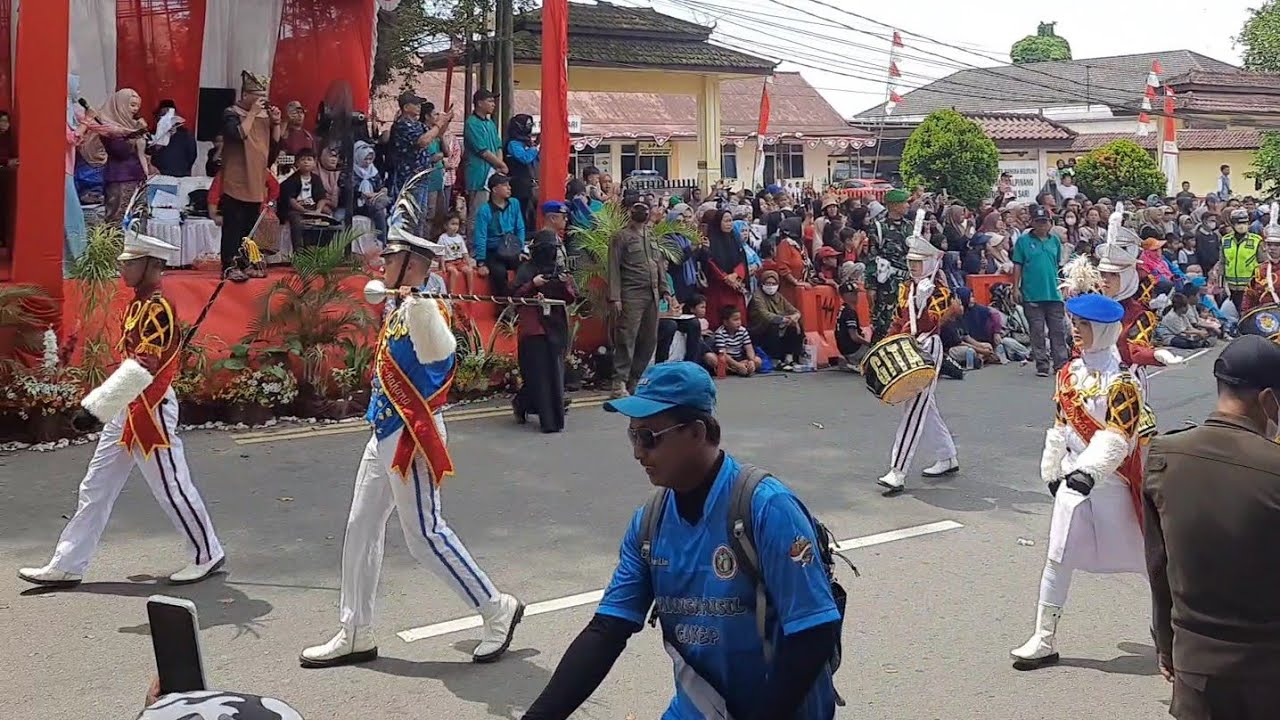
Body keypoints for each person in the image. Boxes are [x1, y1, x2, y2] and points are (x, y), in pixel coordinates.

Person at [522, 362, 843, 719]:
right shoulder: (650, 523)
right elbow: (608, 629)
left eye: (649, 437)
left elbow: (814, 633)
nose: (637, 452)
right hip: (699, 710)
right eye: (632, 435)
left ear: (696, 432)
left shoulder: (766, 508)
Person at [300, 185, 523, 668]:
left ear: (414, 264)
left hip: (411, 439)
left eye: (392, 257)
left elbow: (441, 355)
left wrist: (419, 303)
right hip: (383, 431)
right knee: (361, 527)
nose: (382, 263)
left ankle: (495, 607)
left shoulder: (428, 309)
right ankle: (355, 629)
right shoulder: (403, 306)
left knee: (425, 534)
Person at [18, 210, 225, 588]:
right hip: (128, 406)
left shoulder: (158, 307)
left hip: (150, 408)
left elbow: (144, 365)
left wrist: (96, 408)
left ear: (150, 266)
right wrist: (103, 407)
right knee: (95, 486)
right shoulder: (139, 304)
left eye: (130, 262)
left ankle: (206, 553)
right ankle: (68, 563)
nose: (122, 267)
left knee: (172, 486)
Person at [1143, 335, 1280, 719]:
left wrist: (1167, 646)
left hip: (1195, 665)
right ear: (1268, 400)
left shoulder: (1162, 455)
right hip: (1268, 668)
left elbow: (1158, 565)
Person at [1010, 294, 1147, 670]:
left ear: (1103, 330)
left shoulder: (1123, 382)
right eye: (1074, 322)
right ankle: (1043, 637)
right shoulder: (1068, 373)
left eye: (1083, 325)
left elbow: (1120, 435)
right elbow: (1060, 424)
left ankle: (1169, 631)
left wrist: (1089, 470)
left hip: (1111, 484)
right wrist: (1053, 469)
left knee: (1147, 560)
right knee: (1058, 556)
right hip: (1074, 484)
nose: (1076, 330)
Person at [877, 218, 961, 495]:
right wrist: (887, 344)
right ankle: (947, 455)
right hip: (906, 347)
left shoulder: (939, 289)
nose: (913, 266)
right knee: (924, 406)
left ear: (930, 262)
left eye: (919, 262)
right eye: (911, 261)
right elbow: (898, 319)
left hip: (928, 346)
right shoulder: (906, 287)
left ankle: (898, 470)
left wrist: (922, 304)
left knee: (914, 409)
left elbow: (931, 324)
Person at [219, 71, 283, 282]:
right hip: (237, 177)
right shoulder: (231, 112)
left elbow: (272, 152)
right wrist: (253, 114)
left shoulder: (263, 117)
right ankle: (229, 264)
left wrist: (275, 124)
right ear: (246, 94)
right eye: (257, 95)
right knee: (233, 225)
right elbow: (237, 134)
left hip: (256, 180)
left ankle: (247, 263)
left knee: (249, 227)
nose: (261, 100)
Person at [512, 231, 577, 433]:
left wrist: (564, 283)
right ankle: (534, 412)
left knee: (554, 373)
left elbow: (571, 298)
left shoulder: (559, 270)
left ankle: (553, 418)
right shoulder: (526, 269)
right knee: (538, 375)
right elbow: (514, 295)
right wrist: (534, 284)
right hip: (534, 329)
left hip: (556, 327)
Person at [608, 202, 665, 397]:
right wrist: (615, 296)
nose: (642, 212)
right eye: (637, 208)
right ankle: (619, 381)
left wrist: (665, 288)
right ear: (631, 213)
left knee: (649, 339)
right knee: (626, 336)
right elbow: (613, 267)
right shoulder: (621, 236)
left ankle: (635, 379)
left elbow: (658, 264)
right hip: (631, 293)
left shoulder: (651, 235)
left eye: (645, 209)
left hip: (653, 292)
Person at [1012, 205, 1069, 377]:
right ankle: (1042, 364)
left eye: (1045, 221)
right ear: (1032, 223)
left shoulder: (1055, 241)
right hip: (1032, 293)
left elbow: (1059, 265)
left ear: (1050, 223)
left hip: (1053, 292)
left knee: (1058, 331)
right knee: (1036, 331)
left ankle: (1061, 364)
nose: (1042, 225)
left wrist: (1064, 285)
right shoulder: (1023, 241)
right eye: (1038, 221)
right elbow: (1017, 265)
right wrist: (1015, 287)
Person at [82, 88, 151, 224]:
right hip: (120, 179)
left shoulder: (131, 126)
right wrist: (137, 132)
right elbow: (120, 151)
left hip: (138, 178)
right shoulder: (107, 125)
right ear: (120, 105)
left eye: (137, 106)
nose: (135, 109)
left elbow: (144, 152)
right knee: (117, 220)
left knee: (137, 222)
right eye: (131, 105)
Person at [386, 93, 452, 225]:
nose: (419, 107)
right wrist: (439, 124)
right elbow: (423, 141)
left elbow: (436, 134)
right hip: (409, 178)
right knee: (410, 217)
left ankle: (417, 244)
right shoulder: (402, 125)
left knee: (421, 216)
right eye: (415, 104)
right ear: (406, 107)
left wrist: (445, 120)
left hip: (421, 176)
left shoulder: (416, 124)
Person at [864, 188, 913, 342]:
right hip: (887, 283)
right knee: (884, 322)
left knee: (906, 320)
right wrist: (870, 286)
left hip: (907, 282)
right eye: (904, 202)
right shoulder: (879, 227)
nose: (907, 206)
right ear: (894, 206)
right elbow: (872, 256)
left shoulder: (910, 226)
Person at [472, 173, 525, 296]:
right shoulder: (484, 210)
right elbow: (481, 236)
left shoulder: (514, 203)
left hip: (512, 248)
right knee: (499, 273)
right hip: (494, 251)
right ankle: (502, 304)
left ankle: (521, 298)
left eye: (509, 185)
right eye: (505, 185)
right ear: (495, 189)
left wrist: (521, 249)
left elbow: (520, 227)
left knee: (526, 267)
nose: (509, 188)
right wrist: (481, 261)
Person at [463, 89, 506, 233]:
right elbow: (482, 151)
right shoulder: (472, 123)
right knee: (477, 212)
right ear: (479, 103)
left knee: (493, 212)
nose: (493, 104)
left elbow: (498, 145)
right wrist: (500, 164)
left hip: (493, 173)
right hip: (479, 175)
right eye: (490, 101)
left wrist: (499, 165)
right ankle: (473, 246)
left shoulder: (490, 123)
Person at [748, 269, 805, 371]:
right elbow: (765, 315)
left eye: (773, 283)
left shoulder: (778, 296)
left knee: (796, 324)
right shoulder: (757, 297)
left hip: (780, 325)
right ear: (762, 283)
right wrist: (783, 319)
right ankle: (775, 360)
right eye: (768, 283)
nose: (771, 286)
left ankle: (790, 358)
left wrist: (794, 317)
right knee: (773, 325)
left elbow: (794, 311)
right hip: (759, 330)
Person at [701, 207, 748, 329]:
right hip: (718, 289)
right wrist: (725, 278)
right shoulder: (711, 240)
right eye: (726, 221)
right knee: (719, 321)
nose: (729, 224)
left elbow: (742, 260)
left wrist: (736, 275)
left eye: (731, 220)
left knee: (738, 320)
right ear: (718, 222)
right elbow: (710, 262)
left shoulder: (735, 239)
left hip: (735, 287)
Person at [278, 148, 331, 249]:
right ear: (297, 163)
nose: (306, 162)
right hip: (296, 209)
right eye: (303, 160)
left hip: (312, 207)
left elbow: (322, 198)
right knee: (296, 220)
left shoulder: (316, 179)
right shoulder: (292, 179)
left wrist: (318, 210)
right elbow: (291, 200)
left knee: (327, 215)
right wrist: (304, 211)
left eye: (309, 159)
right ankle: (298, 251)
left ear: (315, 163)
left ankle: (322, 248)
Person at [345, 141, 390, 243]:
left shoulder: (373, 171)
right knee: (379, 210)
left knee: (383, 203)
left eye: (370, 159)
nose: (368, 162)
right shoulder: (349, 171)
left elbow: (379, 187)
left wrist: (382, 191)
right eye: (365, 159)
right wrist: (361, 194)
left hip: (372, 202)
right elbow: (345, 191)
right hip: (355, 204)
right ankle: (382, 242)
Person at [1241, 203, 1280, 313]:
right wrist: (1245, 312)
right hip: (1265, 317)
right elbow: (1249, 294)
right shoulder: (1259, 269)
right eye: (1269, 245)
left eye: (1277, 245)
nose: (1272, 248)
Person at [1222, 207, 1263, 311]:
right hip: (1230, 288)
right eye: (1238, 223)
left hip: (1250, 287)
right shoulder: (1225, 240)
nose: (1241, 226)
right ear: (1232, 224)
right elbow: (1222, 262)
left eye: (1244, 223)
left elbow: (1263, 263)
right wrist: (1221, 284)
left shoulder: (1256, 240)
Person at [505, 113, 539, 229]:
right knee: (519, 211)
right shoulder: (513, 143)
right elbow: (524, 158)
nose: (530, 127)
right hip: (517, 183)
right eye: (527, 124)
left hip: (528, 183)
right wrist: (535, 148)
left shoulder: (527, 142)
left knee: (529, 212)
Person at [147, 99, 197, 177]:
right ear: (158, 117)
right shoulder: (151, 135)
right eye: (163, 115)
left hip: (180, 176)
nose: (166, 118)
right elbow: (148, 155)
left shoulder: (186, 135)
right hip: (157, 176)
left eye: (169, 114)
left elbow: (192, 156)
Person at [711, 306, 762, 376]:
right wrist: (737, 365)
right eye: (735, 320)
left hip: (740, 357)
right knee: (720, 364)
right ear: (726, 322)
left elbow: (749, 348)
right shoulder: (720, 333)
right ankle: (738, 369)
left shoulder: (743, 330)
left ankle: (743, 368)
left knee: (758, 360)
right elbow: (723, 354)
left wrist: (751, 361)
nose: (738, 322)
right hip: (728, 359)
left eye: (739, 319)